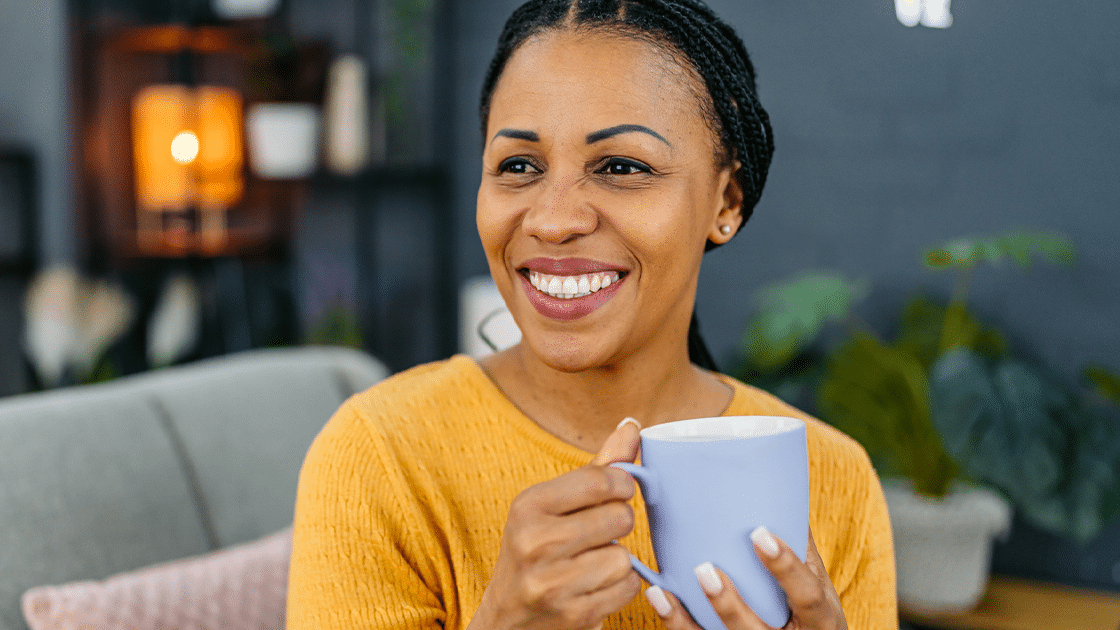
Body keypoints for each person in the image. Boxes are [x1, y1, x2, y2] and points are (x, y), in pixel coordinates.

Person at [287, 0, 897, 628]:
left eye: (621, 167)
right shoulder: (381, 458)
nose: (553, 220)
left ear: (727, 202)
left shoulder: (833, 480)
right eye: (518, 166)